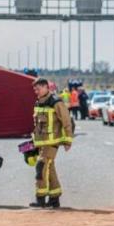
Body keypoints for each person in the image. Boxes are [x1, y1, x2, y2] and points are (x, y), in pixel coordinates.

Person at [30, 78, 73, 208]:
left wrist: (67, 141)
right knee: (50, 168)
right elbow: (37, 125)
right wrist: (33, 142)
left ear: (45, 87)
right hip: (41, 143)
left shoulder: (56, 102)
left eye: (38, 89)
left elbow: (66, 122)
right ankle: (54, 198)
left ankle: (40, 198)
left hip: (52, 143)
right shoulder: (38, 102)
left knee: (41, 166)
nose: (36, 91)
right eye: (35, 89)